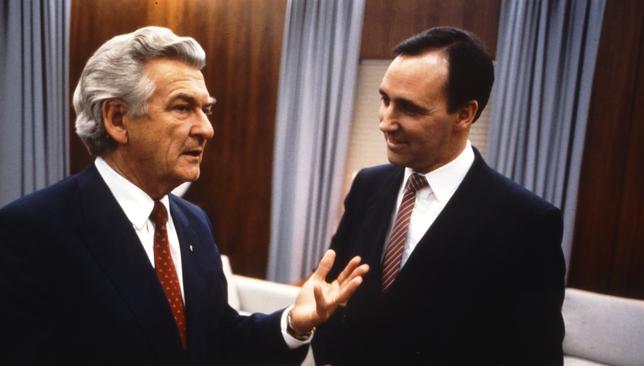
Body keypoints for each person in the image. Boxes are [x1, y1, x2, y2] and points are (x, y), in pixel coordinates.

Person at [0, 26, 368, 366]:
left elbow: (217, 339)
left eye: (205, 110)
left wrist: (293, 323)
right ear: (116, 119)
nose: (206, 129)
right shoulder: (33, 231)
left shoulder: (194, 222)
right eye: (182, 108)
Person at [312, 26, 566, 365]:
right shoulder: (367, 186)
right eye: (385, 100)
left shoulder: (527, 222)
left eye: (409, 109)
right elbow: (330, 297)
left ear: (464, 114)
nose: (386, 122)